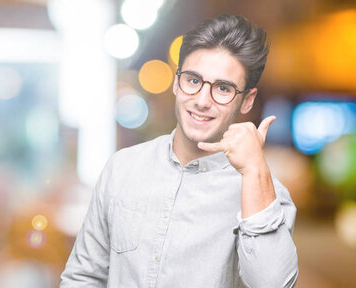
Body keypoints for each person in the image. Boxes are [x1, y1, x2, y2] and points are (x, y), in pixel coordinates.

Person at [60, 14, 298, 287]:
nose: (202, 101)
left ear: (247, 101)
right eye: (193, 80)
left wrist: (254, 169)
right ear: (176, 82)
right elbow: (83, 277)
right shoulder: (122, 168)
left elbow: (274, 284)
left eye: (223, 88)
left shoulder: (269, 195)